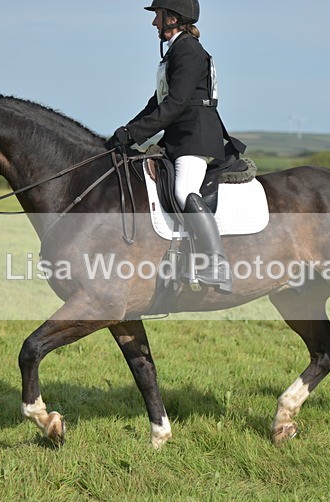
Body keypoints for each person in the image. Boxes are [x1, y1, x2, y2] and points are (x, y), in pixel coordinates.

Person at [106, 0, 243, 293]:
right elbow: (157, 102)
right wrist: (126, 131)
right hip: (180, 136)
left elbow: (176, 105)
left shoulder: (189, 51)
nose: (154, 22)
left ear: (173, 17)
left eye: (158, 15)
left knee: (184, 191)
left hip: (196, 135)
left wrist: (133, 135)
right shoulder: (176, 52)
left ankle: (216, 265)